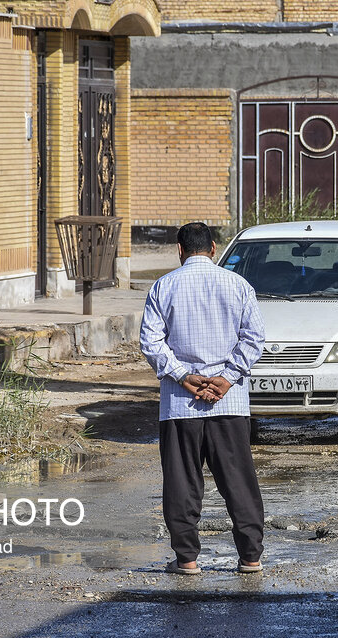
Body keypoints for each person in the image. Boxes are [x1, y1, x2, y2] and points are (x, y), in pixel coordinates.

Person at [139, 222, 266, 575]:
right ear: (213, 248)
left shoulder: (164, 286)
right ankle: (250, 558)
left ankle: (187, 560)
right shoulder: (239, 285)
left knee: (182, 484)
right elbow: (254, 339)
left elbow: (151, 342)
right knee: (238, 481)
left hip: (180, 406)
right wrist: (226, 379)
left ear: (179, 250)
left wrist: (183, 376)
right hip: (231, 404)